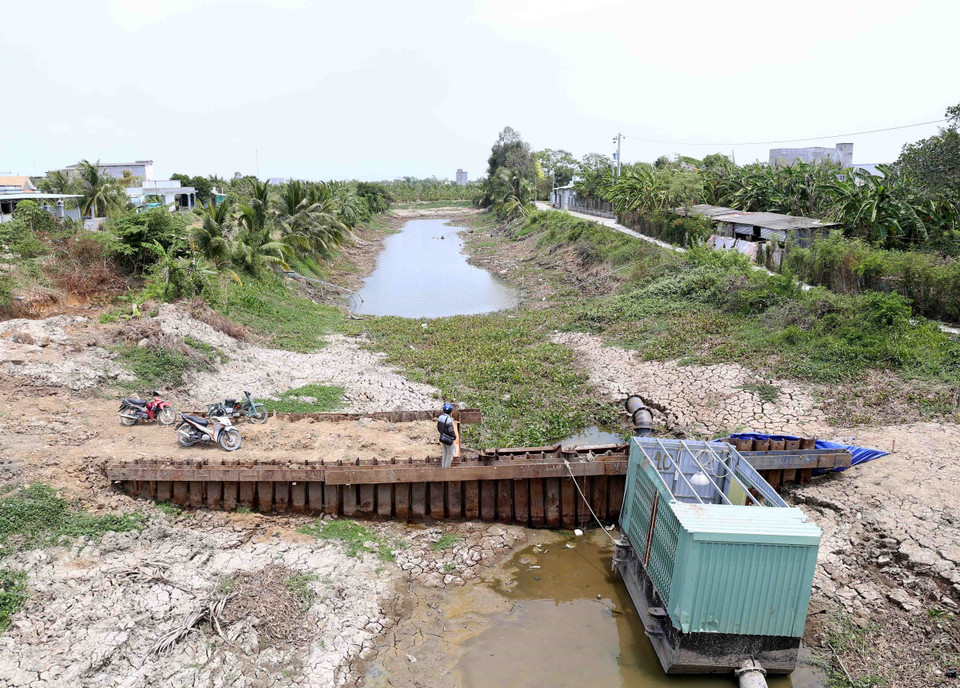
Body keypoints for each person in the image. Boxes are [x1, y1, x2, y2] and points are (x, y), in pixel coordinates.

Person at [437, 403, 457, 467]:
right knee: (449, 454)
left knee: (444, 453)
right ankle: (447, 469)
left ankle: (443, 467)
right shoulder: (448, 420)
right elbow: (451, 431)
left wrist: (442, 434)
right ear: (450, 411)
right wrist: (454, 436)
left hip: (442, 438)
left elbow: (438, 427)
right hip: (448, 439)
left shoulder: (440, 417)